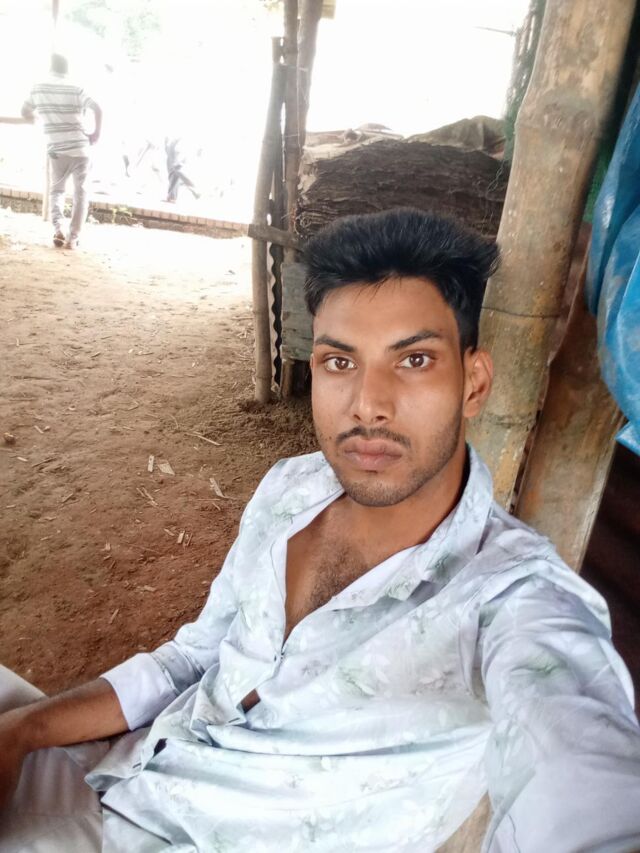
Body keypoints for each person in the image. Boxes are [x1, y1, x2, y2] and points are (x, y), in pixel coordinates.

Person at [2, 208, 640, 852]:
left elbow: (578, 765)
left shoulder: (510, 598)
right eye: (340, 362)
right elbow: (192, 659)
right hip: (126, 774)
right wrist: (22, 731)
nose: (368, 404)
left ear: (473, 384)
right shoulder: (291, 488)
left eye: (414, 359)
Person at [21, 54, 102, 250]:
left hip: (57, 149)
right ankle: (73, 239)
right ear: (67, 70)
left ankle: (58, 229)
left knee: (57, 191)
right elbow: (98, 108)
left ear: (51, 68)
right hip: (81, 149)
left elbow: (24, 111)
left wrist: (39, 117)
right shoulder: (76, 88)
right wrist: (96, 133)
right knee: (81, 194)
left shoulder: (38, 88)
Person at [164, 135, 201, 203]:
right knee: (175, 179)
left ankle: (172, 197)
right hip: (174, 166)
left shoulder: (171, 148)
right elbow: (168, 148)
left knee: (176, 176)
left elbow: (173, 145)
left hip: (176, 165)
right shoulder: (169, 148)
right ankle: (172, 197)